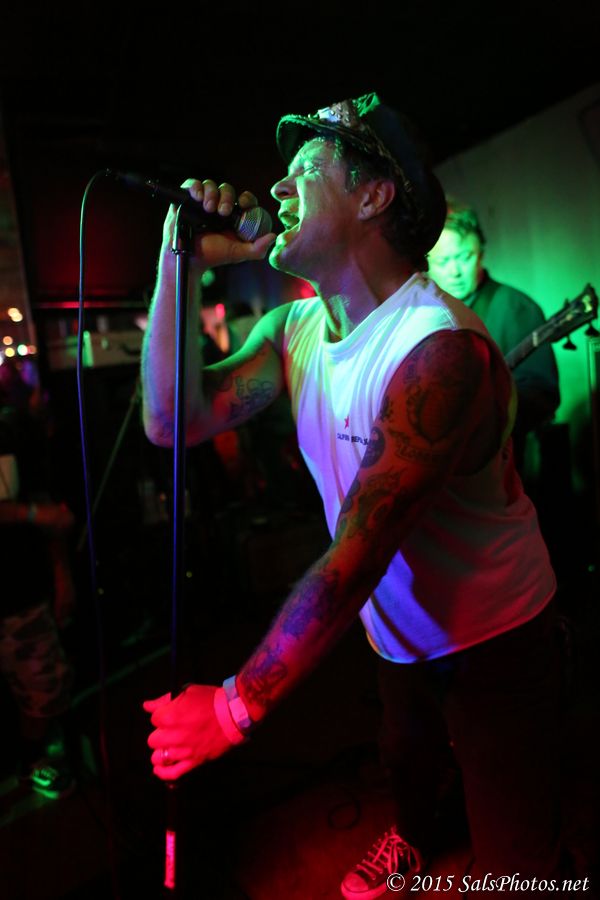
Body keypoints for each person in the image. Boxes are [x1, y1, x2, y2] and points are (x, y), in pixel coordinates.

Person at [141, 93, 565, 895]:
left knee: (518, 865)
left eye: (307, 168)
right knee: (406, 762)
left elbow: (358, 551)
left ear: (373, 196)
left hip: (494, 638)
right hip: (392, 631)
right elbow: (171, 420)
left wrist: (232, 708)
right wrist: (180, 262)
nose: (279, 186)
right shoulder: (296, 331)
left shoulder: (437, 350)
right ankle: (415, 836)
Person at [426, 200, 560, 470]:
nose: (455, 271)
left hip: (498, 469)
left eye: (465, 257)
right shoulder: (425, 312)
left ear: (481, 253)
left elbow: (542, 394)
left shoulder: (515, 308)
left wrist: (487, 412)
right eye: (443, 261)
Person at [0, 358, 76, 800]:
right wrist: (29, 513)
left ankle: (33, 764)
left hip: (20, 590)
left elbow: (50, 509)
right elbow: (39, 511)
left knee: (46, 686)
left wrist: (62, 575)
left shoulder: (13, 428)